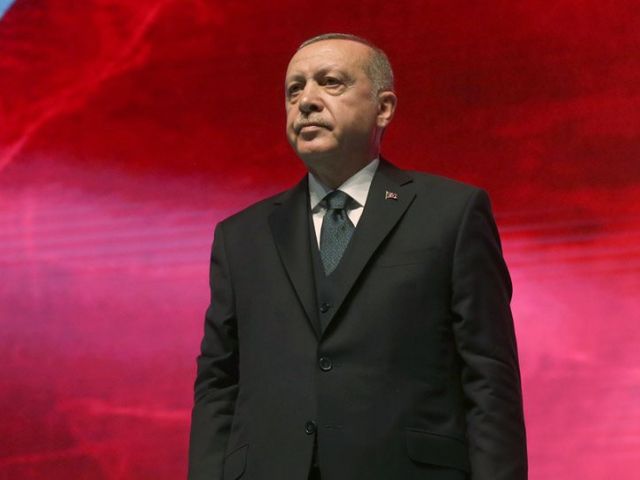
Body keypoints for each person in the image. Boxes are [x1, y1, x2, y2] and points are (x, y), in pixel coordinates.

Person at [188, 33, 527, 480]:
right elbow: (218, 385)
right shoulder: (241, 237)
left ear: (383, 108)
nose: (306, 101)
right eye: (294, 90)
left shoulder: (452, 213)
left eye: (330, 82)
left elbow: (489, 379)